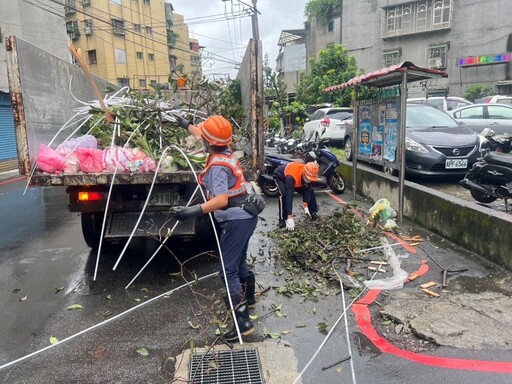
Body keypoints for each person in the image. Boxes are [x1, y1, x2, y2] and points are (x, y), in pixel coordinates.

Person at [171, 114, 260, 342]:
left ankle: (243, 322)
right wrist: (187, 126)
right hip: (246, 216)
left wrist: (190, 211)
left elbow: (220, 200)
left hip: (236, 220)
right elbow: (204, 135)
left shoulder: (218, 167)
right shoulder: (225, 150)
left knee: (226, 270)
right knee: (238, 263)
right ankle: (248, 299)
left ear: (209, 143)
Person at [274, 161, 320, 231]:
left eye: (310, 179)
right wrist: (290, 216)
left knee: (311, 191)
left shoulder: (309, 172)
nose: (309, 180)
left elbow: (308, 189)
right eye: (308, 178)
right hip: (281, 177)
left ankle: (313, 213)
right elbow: (289, 196)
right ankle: (282, 220)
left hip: (296, 180)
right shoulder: (291, 177)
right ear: (304, 173)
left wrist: (305, 204)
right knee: (283, 195)